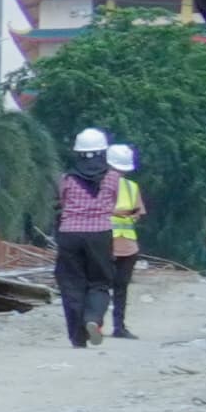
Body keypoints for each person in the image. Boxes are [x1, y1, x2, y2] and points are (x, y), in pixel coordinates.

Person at [51, 129, 121, 349]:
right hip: (100, 235)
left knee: (71, 285)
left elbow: (62, 203)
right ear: (102, 153)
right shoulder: (113, 178)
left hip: (70, 235)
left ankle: (77, 338)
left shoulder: (67, 179)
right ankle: (93, 319)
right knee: (99, 283)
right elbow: (115, 202)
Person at [108, 142, 146, 338]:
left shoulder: (132, 187)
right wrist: (123, 213)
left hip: (126, 245)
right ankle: (100, 324)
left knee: (119, 287)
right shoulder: (101, 184)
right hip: (107, 243)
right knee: (106, 287)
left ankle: (118, 326)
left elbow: (138, 212)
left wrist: (127, 214)